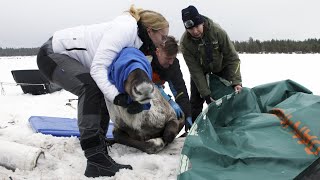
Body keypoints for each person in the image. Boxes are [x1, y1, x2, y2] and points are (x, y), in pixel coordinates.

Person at [36, 5, 169, 178]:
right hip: (52, 54)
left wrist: (137, 101)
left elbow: (117, 75)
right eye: (163, 36)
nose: (164, 41)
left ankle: (98, 142)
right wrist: (116, 97)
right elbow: (98, 68)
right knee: (90, 87)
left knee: (100, 88)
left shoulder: (139, 43)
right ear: (151, 30)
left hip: (66, 57)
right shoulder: (125, 29)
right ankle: (95, 157)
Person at [180, 5, 242, 123]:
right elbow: (195, 71)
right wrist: (206, 94)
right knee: (195, 102)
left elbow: (232, 58)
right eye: (190, 29)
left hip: (221, 68)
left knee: (228, 99)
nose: (195, 31)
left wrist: (236, 81)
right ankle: (193, 129)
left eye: (197, 27)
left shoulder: (218, 32)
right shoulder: (185, 43)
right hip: (201, 72)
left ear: (201, 22)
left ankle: (230, 125)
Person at [151, 36, 193, 130]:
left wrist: (187, 113)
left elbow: (180, 89)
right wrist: (168, 100)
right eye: (168, 58)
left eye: (173, 58)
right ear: (158, 52)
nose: (170, 62)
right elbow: (144, 84)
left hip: (157, 89)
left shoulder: (173, 64)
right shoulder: (146, 59)